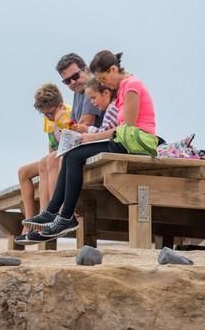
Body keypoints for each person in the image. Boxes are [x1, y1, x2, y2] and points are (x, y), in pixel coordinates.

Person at [22, 50, 158, 240]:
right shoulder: (123, 88)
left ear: (113, 69)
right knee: (71, 155)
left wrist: (90, 137)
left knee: (74, 155)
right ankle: (55, 212)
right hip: (125, 140)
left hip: (136, 142)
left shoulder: (131, 85)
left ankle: (63, 215)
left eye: (103, 78)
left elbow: (127, 129)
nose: (103, 84)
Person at [15, 54, 103, 241]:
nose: (72, 82)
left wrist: (67, 129)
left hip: (94, 143)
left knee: (53, 159)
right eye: (67, 81)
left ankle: (56, 216)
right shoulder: (78, 93)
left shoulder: (90, 91)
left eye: (75, 76)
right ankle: (42, 220)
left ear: (85, 70)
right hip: (80, 144)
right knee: (43, 162)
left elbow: (83, 126)